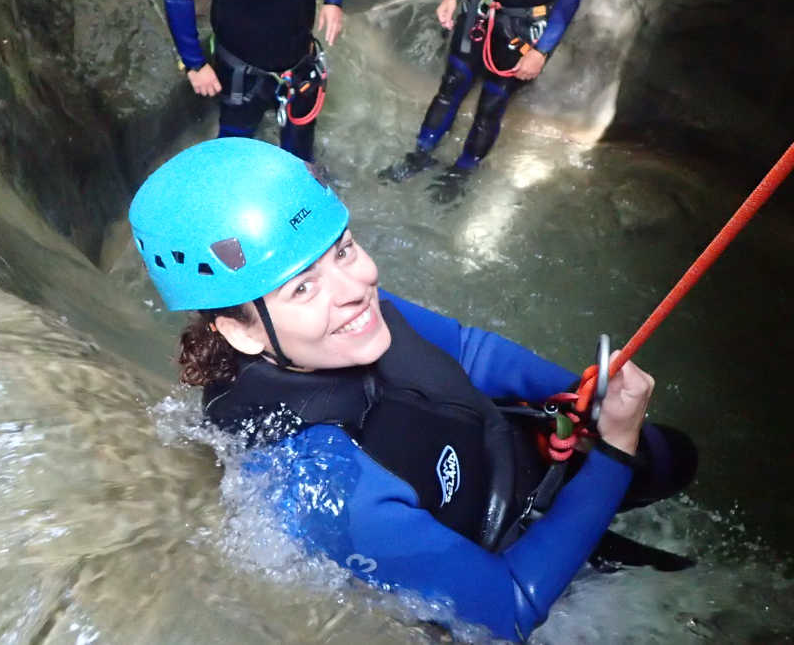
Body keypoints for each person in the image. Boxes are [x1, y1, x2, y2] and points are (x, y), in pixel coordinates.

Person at [129, 138, 697, 641]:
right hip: (507, 556)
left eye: (344, 249)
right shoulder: (321, 482)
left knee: (677, 458)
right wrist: (614, 454)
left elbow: (469, 349)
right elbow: (510, 609)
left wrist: (580, 395)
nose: (356, 288)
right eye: (303, 288)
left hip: (509, 451)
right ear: (237, 331)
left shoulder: (346, 321)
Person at [380, 0, 588, 196]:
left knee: (492, 104)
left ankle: (462, 171)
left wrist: (541, 51)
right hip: (483, 7)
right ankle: (419, 155)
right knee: (452, 83)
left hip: (526, 23)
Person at [161, 0, 344, 163]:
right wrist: (195, 65)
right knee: (234, 147)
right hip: (240, 73)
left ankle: (301, 180)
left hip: (299, 66)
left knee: (300, 153)